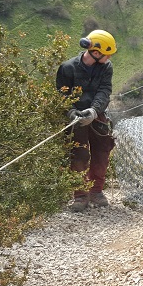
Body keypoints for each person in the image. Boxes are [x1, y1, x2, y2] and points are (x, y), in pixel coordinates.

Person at [56, 29, 117, 212]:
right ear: (96, 53)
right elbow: (62, 94)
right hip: (75, 118)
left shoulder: (106, 67)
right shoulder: (68, 68)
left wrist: (94, 110)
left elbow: (104, 91)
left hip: (96, 115)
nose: (108, 58)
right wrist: (71, 112)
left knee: (102, 150)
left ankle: (96, 190)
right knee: (79, 155)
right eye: (106, 54)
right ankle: (80, 195)